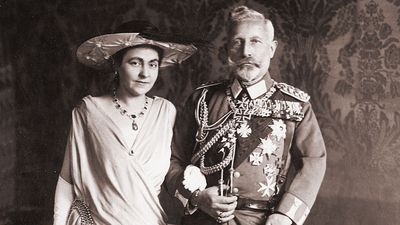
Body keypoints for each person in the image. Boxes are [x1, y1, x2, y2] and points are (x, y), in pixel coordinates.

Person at [165, 5, 326, 225]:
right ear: (226, 51)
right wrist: (196, 197)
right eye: (237, 42)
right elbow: (173, 159)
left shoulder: (295, 105)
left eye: (255, 42)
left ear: (272, 48)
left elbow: (314, 161)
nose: (246, 52)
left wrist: (286, 215)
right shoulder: (202, 99)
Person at [53, 20, 197, 225]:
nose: (145, 74)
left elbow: (174, 172)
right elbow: (67, 180)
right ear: (116, 65)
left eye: (153, 64)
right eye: (135, 62)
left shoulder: (166, 111)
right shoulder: (90, 111)